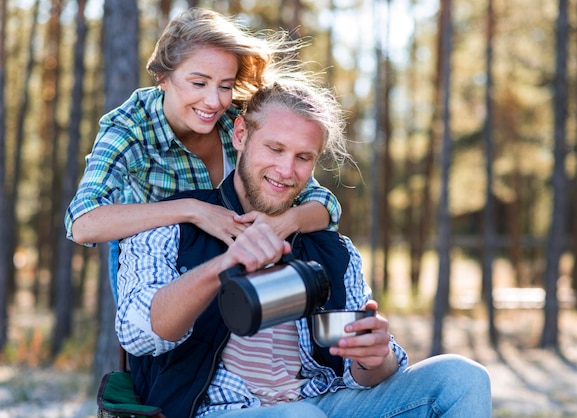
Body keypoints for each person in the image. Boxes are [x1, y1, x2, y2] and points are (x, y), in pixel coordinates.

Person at [115, 76, 492, 417]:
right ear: (241, 134)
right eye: (275, 149)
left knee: (462, 378)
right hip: (215, 410)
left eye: (303, 157)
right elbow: (139, 333)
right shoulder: (175, 224)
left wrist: (374, 358)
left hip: (322, 404)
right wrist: (224, 264)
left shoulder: (330, 249)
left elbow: (360, 373)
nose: (286, 170)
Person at [64, 8, 340, 301]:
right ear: (162, 76)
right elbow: (83, 221)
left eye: (225, 86)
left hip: (234, 253)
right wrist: (193, 209)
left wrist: (287, 221)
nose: (213, 101)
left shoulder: (237, 120)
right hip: (155, 263)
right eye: (199, 83)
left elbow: (323, 203)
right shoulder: (130, 128)